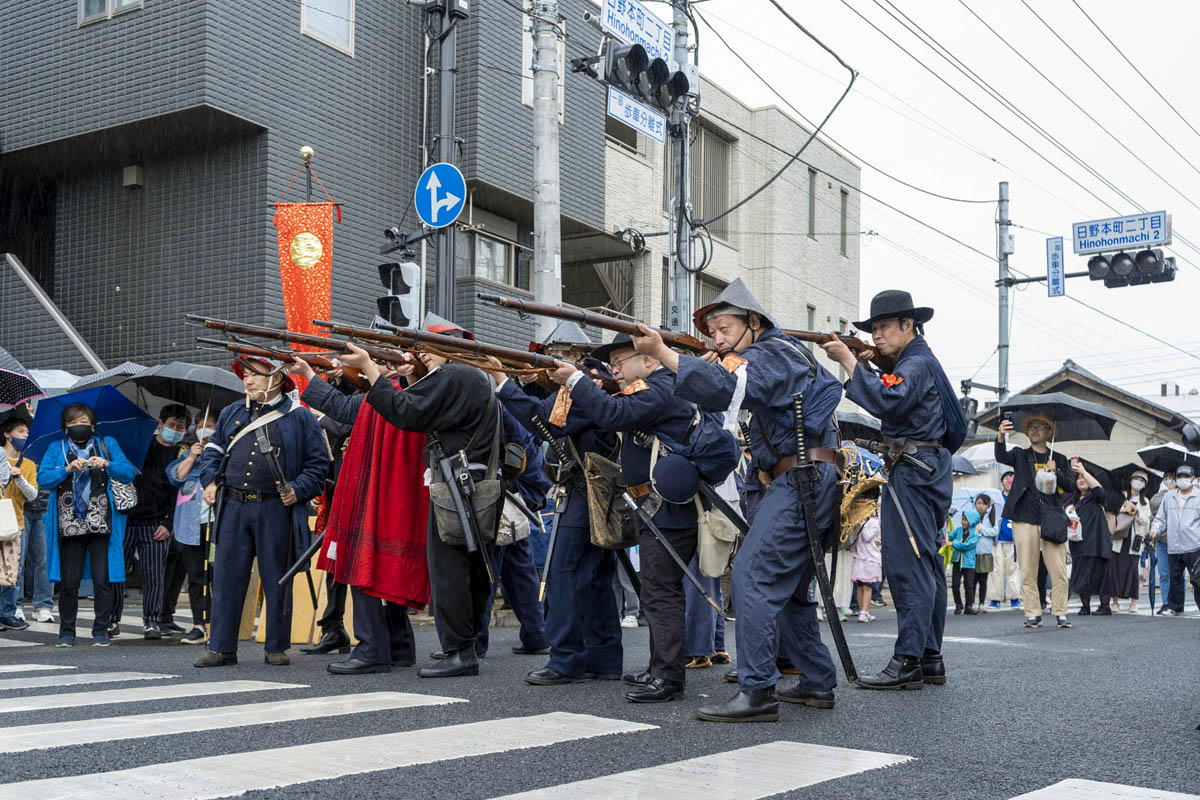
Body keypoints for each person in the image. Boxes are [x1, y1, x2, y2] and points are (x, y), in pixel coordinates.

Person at [635, 277, 842, 721]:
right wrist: (706, 363)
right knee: (788, 589)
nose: (718, 338)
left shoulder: (774, 352)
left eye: (725, 328)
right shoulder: (771, 354)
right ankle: (817, 679)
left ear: (753, 322)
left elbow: (727, 387)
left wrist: (662, 354)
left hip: (801, 475)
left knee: (752, 577)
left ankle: (757, 691)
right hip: (800, 475)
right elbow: (721, 399)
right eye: (713, 332)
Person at [545, 332, 713, 705]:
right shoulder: (656, 386)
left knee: (661, 593)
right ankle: (660, 668)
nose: (614, 370)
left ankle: (668, 677)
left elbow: (612, 413)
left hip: (665, 505)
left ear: (649, 361)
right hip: (656, 504)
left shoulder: (659, 387)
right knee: (657, 591)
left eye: (621, 361)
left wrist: (574, 379)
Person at [338, 316, 501, 679]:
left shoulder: (455, 376)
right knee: (462, 570)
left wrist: (368, 366)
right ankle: (463, 648)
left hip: (456, 486)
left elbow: (405, 412)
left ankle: (459, 651)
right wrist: (406, 375)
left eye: (428, 349)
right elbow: (419, 408)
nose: (423, 356)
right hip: (465, 483)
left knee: (451, 572)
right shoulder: (470, 377)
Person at [821, 289, 965, 690]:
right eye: (874, 329)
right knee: (927, 564)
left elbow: (889, 398)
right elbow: (893, 389)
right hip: (923, 467)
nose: (878, 335)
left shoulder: (916, 363)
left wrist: (850, 361)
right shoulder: (917, 361)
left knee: (908, 564)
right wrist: (871, 363)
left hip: (914, 468)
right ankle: (929, 657)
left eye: (884, 327)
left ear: (908, 325)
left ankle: (907, 661)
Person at [488, 325, 624, 687]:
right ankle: (605, 658)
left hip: (583, 490)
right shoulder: (593, 383)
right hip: (596, 489)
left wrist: (502, 380)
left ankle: (565, 659)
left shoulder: (586, 386)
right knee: (596, 578)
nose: (556, 360)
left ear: (579, 355)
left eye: (562, 353)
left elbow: (539, 419)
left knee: (563, 575)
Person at [291, 351, 429, 676]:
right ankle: (398, 647)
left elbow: (345, 410)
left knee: (364, 569)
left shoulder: (398, 390)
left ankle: (371, 650)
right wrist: (309, 373)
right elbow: (343, 409)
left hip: (381, 491)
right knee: (386, 572)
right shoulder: (397, 390)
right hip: (391, 491)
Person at [193, 358, 329, 667]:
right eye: (246, 375)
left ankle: (276, 646)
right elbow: (214, 450)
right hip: (234, 506)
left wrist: (299, 488)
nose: (248, 381)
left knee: (276, 579)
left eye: (256, 375)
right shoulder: (232, 412)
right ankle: (222, 648)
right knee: (226, 578)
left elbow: (318, 465)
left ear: (278, 378)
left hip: (274, 509)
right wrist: (210, 480)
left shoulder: (300, 418)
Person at [38, 403, 137, 647]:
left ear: (93, 426)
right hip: (69, 523)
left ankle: (101, 630)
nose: (77, 427)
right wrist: (66, 469)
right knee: (69, 582)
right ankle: (66, 632)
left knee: (103, 580)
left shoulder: (107, 444)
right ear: (65, 428)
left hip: (102, 522)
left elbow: (128, 472)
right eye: (72, 424)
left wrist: (107, 464)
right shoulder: (56, 448)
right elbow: (42, 479)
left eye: (82, 422)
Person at [114, 404, 190, 640]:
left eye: (180, 427)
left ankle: (152, 622)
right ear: (160, 423)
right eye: (171, 425)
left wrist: (169, 523)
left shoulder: (181, 454)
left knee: (155, 574)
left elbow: (180, 494)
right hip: (126, 518)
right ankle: (112, 619)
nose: (175, 430)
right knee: (118, 572)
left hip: (157, 522)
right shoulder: (140, 445)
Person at [995, 414, 1075, 629]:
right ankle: (1033, 613)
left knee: (1058, 570)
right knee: (1028, 570)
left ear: (1050, 433)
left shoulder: (1058, 457)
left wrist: (1056, 470)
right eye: (1031, 427)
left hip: (1051, 518)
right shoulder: (1020, 455)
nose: (1034, 430)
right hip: (1024, 517)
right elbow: (1001, 456)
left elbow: (1071, 486)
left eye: (1040, 427)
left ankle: (1060, 612)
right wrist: (1001, 435)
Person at [164, 413, 218, 644]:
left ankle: (218, 624)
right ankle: (199, 624)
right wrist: (192, 455)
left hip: (216, 524)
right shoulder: (185, 454)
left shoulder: (222, 453)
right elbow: (175, 476)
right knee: (196, 576)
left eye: (211, 426)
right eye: (201, 426)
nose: (205, 430)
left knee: (216, 575)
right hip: (190, 527)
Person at [0, 419, 37, 629]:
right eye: (20, 431)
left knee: (12, 570)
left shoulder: (28, 463)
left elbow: (32, 495)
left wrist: (20, 478)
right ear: (7, 434)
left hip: (15, 522)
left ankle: (6, 612)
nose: (24, 435)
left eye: (26, 432)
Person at [1150, 464, 1200, 616]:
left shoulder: (1198, 496)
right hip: (1174, 545)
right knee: (1175, 578)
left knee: (1197, 580)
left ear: (1193, 479)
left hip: (1194, 546)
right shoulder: (1169, 496)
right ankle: (1175, 606)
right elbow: (1161, 517)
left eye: (1186, 477)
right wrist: (1155, 529)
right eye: (1180, 477)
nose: (1183, 480)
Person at [1101, 470, 1151, 614]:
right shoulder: (1121, 496)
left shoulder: (1145, 501)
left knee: (1132, 570)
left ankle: (1133, 603)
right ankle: (1115, 602)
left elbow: (1146, 521)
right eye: (1135, 478)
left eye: (1142, 480)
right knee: (1114, 569)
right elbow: (1112, 512)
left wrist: (1137, 512)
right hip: (1118, 536)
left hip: (1134, 539)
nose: (1138, 482)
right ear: (1130, 481)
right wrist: (1125, 508)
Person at [1067, 462, 1109, 619]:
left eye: (1083, 477)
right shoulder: (1073, 501)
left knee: (1100, 573)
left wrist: (1084, 471)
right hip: (1079, 543)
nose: (1081, 480)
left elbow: (1100, 491)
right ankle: (1085, 605)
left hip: (1097, 541)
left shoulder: (1095, 497)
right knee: (1082, 573)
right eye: (1078, 478)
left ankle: (1105, 605)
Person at [987, 471, 1021, 609]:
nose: (1008, 481)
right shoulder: (996, 498)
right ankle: (995, 599)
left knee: (1013, 569)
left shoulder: (1019, 497)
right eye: (1006, 479)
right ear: (1002, 482)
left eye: (1011, 479)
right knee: (996, 569)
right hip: (998, 538)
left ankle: (1014, 598)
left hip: (1014, 539)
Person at [1148, 469, 1175, 610]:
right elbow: (1155, 505)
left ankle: (1177, 602)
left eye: (1173, 478)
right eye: (1168, 477)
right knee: (1164, 572)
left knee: (1178, 574)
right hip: (1162, 540)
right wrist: (1170, 494)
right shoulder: (1159, 495)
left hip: (1178, 541)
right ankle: (1165, 602)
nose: (1170, 480)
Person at [851, 511, 882, 623]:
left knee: (867, 586)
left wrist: (863, 524)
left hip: (871, 557)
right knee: (860, 585)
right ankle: (862, 611)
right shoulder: (860, 522)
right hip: (860, 557)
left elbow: (867, 537)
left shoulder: (874, 522)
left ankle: (864, 611)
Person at [950, 506, 980, 615]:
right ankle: (958, 604)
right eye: (962, 519)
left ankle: (969, 605)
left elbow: (966, 546)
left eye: (965, 519)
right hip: (957, 562)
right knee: (955, 585)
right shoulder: (958, 530)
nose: (963, 522)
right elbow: (949, 536)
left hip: (969, 564)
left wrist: (953, 543)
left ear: (971, 521)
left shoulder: (975, 535)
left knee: (969, 585)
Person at [974, 496, 997, 612]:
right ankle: (971, 602)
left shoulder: (991, 517)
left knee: (983, 579)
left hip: (985, 552)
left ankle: (982, 603)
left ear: (988, 506)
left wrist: (982, 529)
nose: (980, 506)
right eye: (978, 503)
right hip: (973, 552)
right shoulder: (972, 517)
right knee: (972, 579)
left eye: (983, 504)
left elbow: (995, 531)